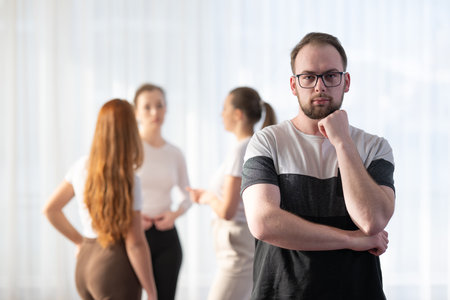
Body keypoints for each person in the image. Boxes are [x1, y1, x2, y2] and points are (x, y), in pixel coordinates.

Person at [241, 32, 395, 299]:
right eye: (308, 77)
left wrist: (342, 141)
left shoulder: (374, 147)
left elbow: (372, 220)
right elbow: (264, 223)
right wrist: (350, 239)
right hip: (281, 293)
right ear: (293, 85)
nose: (320, 86)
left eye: (330, 76)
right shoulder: (267, 142)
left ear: (345, 82)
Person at [43, 99, 157, 300]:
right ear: (130, 132)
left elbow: (51, 209)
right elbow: (135, 243)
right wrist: (151, 289)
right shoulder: (129, 179)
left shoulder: (81, 166)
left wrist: (79, 241)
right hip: (114, 267)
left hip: (84, 266)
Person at [187, 87, 277, 300]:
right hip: (238, 245)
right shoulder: (249, 146)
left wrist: (207, 197)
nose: (221, 114)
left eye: (224, 108)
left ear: (238, 114)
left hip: (236, 249)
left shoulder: (241, 150)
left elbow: (227, 210)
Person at [133, 83, 191, 300]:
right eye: (147, 107)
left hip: (167, 239)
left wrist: (174, 215)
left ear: (166, 109)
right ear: (136, 112)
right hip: (133, 235)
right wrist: (133, 219)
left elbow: (187, 197)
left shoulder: (175, 153)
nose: (154, 112)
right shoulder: (129, 150)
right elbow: (116, 196)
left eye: (159, 105)